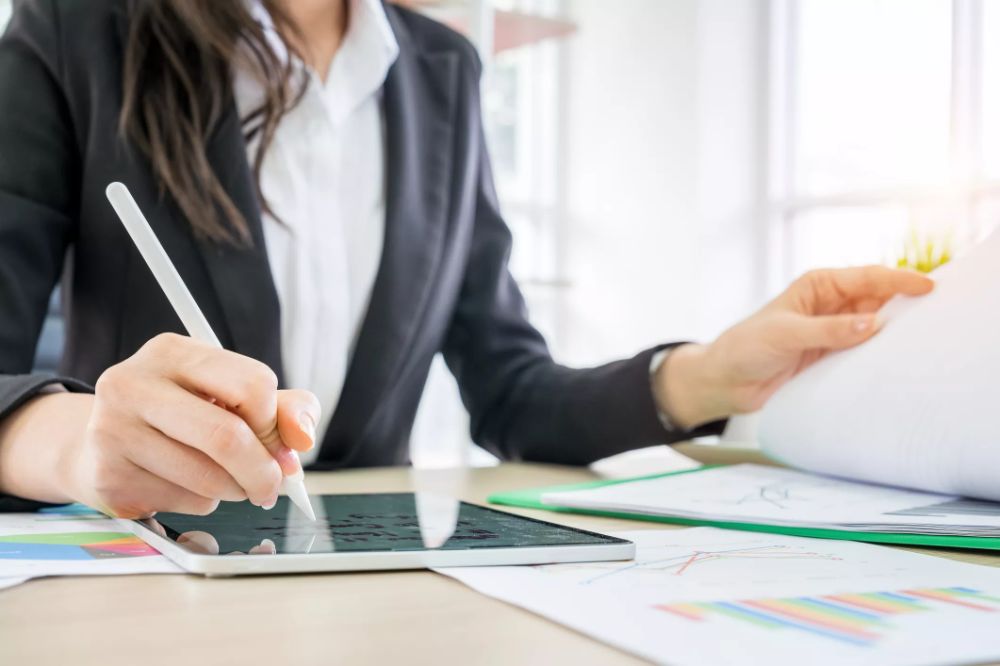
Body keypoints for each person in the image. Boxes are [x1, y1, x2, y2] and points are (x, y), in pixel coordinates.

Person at [0, 0, 933, 517]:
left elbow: (512, 393)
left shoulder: (444, 68)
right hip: (149, 569)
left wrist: (710, 375)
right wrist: (81, 448)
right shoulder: (73, 30)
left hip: (373, 575)